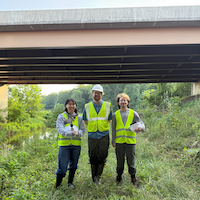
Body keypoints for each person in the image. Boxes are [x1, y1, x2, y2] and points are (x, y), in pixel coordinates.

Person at [112, 93, 145, 187]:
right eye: (121, 100)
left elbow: (141, 123)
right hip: (119, 142)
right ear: (118, 103)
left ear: (127, 102)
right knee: (120, 162)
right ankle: (118, 177)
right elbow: (113, 129)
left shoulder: (133, 113)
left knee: (131, 161)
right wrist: (113, 141)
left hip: (130, 142)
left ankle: (133, 178)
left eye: (125, 100)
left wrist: (141, 128)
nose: (123, 102)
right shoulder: (115, 114)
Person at [82, 84, 112, 184]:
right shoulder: (87, 106)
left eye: (99, 93)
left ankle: (98, 177)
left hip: (104, 135)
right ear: (92, 94)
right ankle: (93, 177)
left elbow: (109, 120)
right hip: (92, 136)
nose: (96, 95)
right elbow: (85, 121)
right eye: (95, 93)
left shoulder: (108, 105)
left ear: (102, 94)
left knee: (102, 156)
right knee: (92, 156)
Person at [56, 98, 85, 189]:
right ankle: (58, 185)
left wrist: (78, 134)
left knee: (73, 166)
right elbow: (60, 129)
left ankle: (70, 183)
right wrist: (71, 134)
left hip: (76, 146)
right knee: (62, 168)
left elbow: (82, 130)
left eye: (73, 104)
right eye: (69, 104)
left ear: (75, 106)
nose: (71, 106)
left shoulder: (79, 118)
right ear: (66, 105)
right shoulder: (61, 117)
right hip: (65, 146)